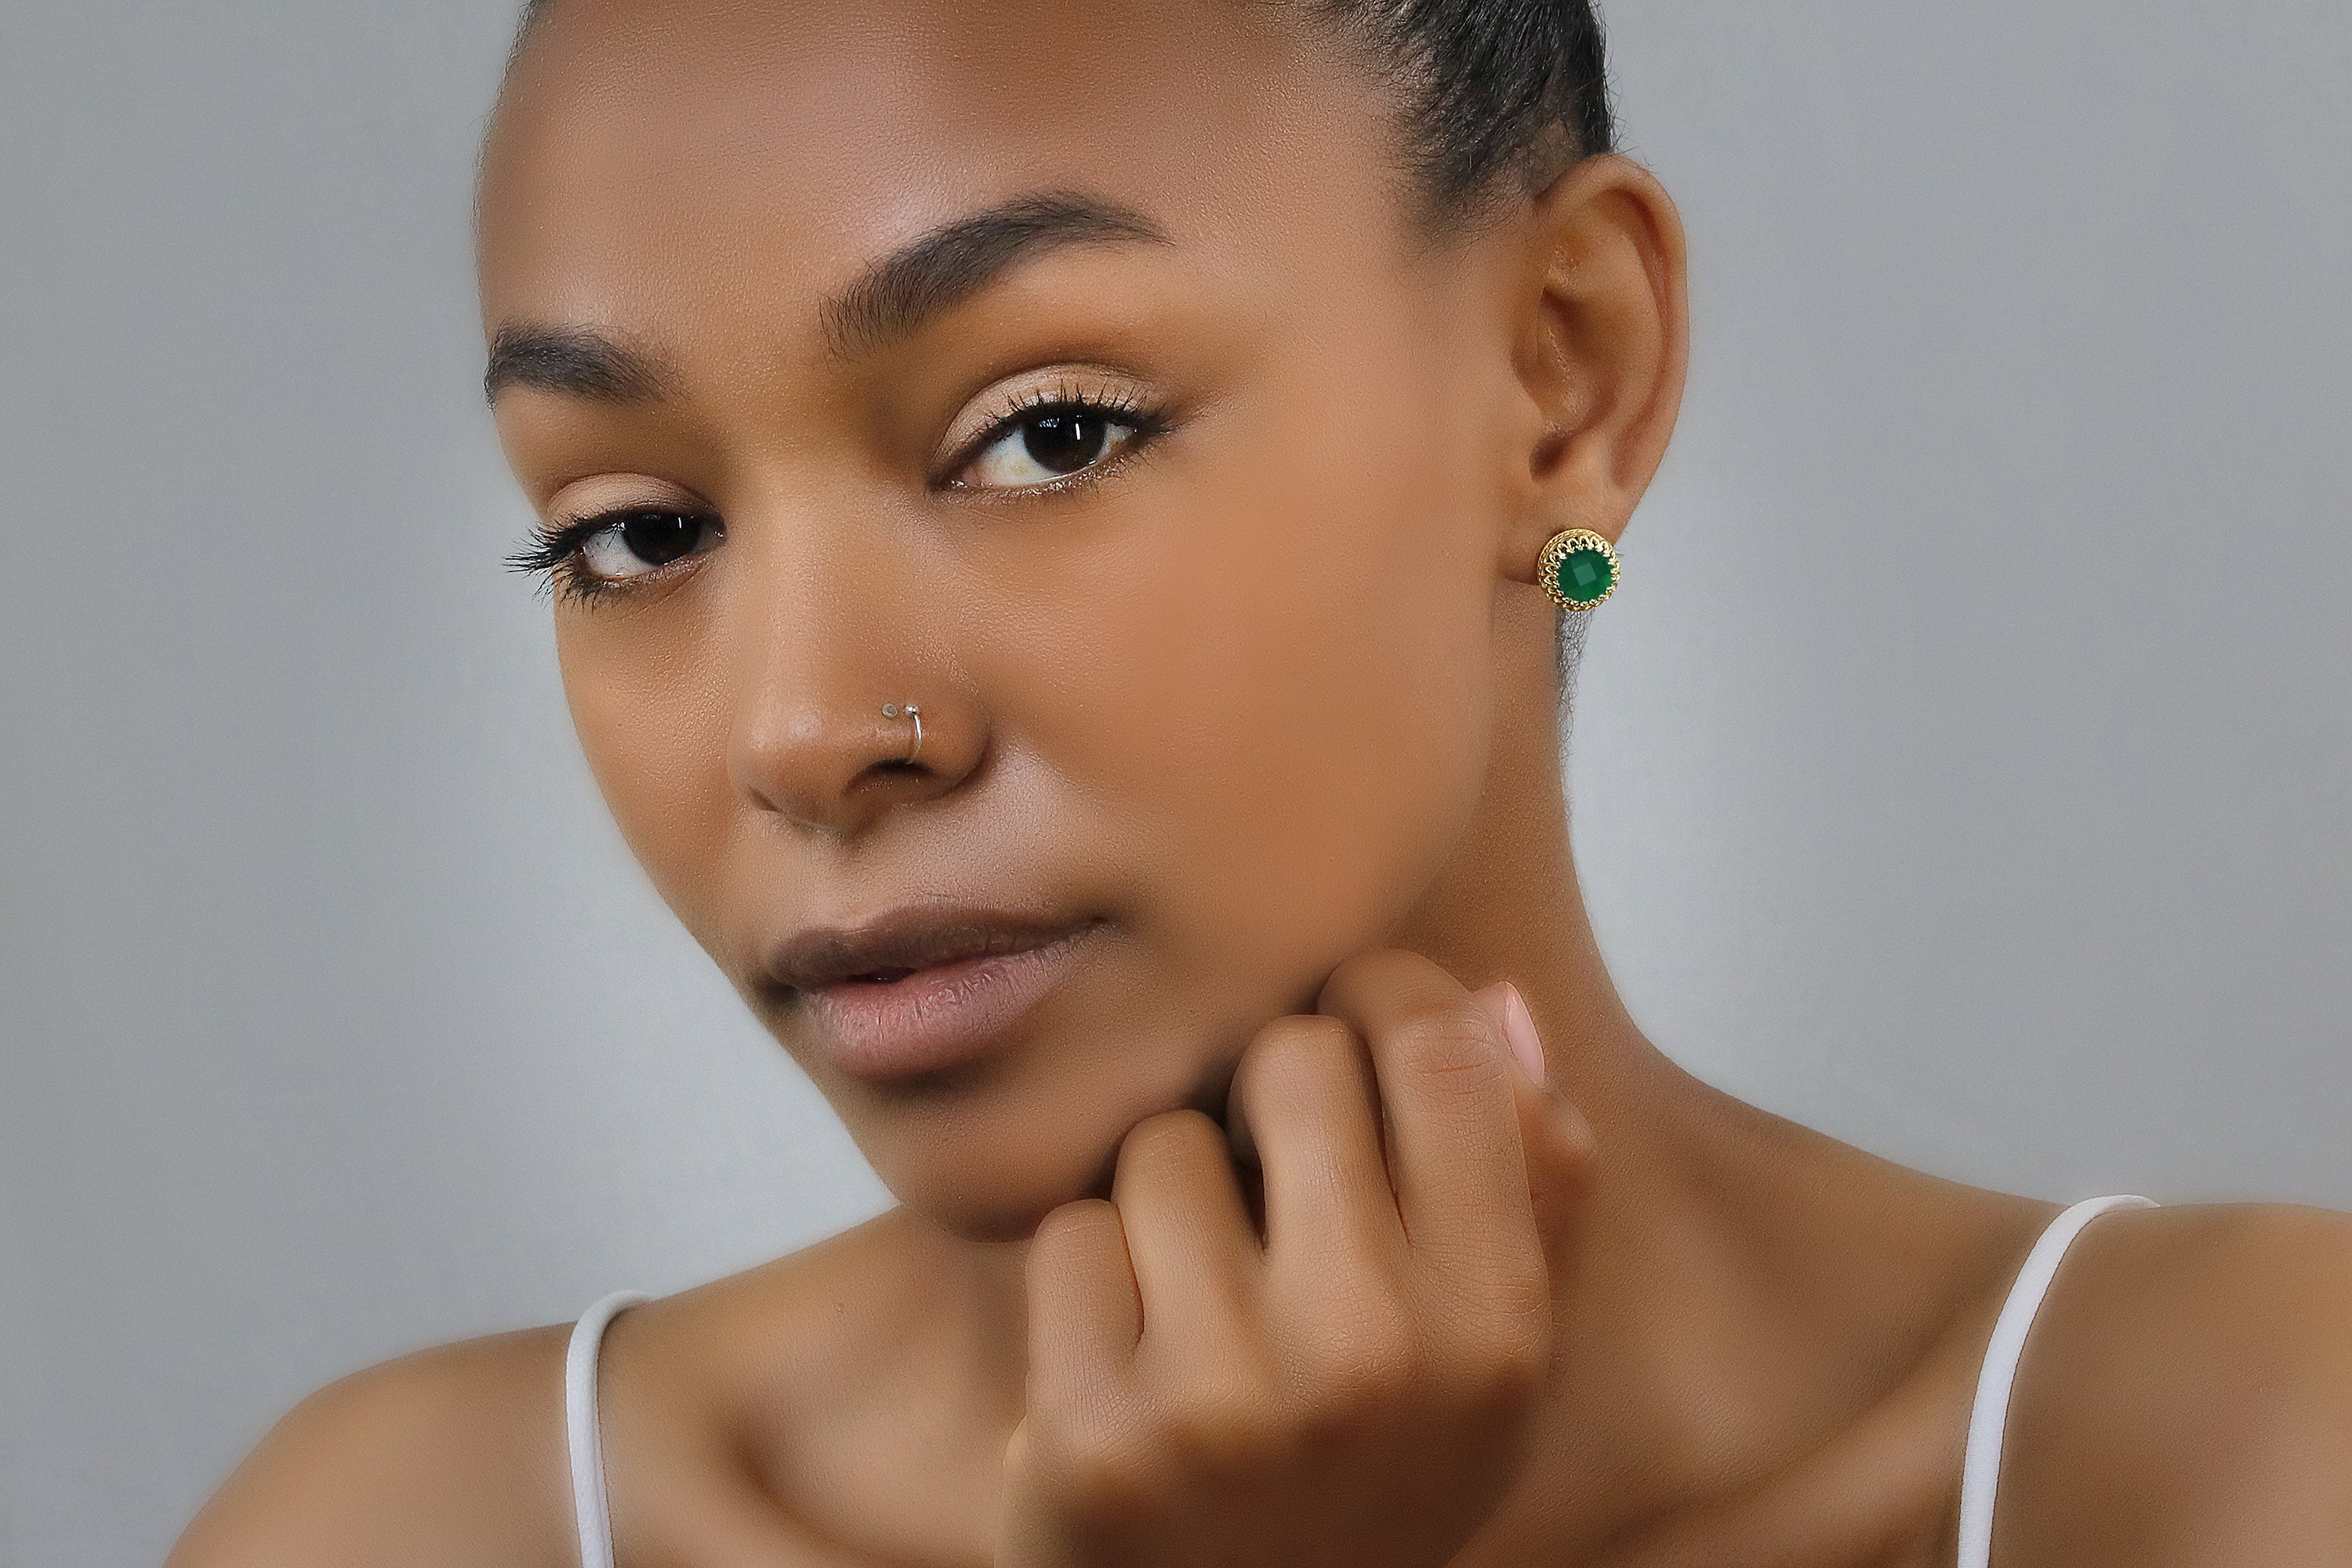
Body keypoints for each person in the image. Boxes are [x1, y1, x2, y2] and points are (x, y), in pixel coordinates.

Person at [169, 2, 2352, 1563]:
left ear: (1564, 379)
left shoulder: (2248, 1453)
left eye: (1050, 433)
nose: (806, 732)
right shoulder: (410, 1530)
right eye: (636, 536)